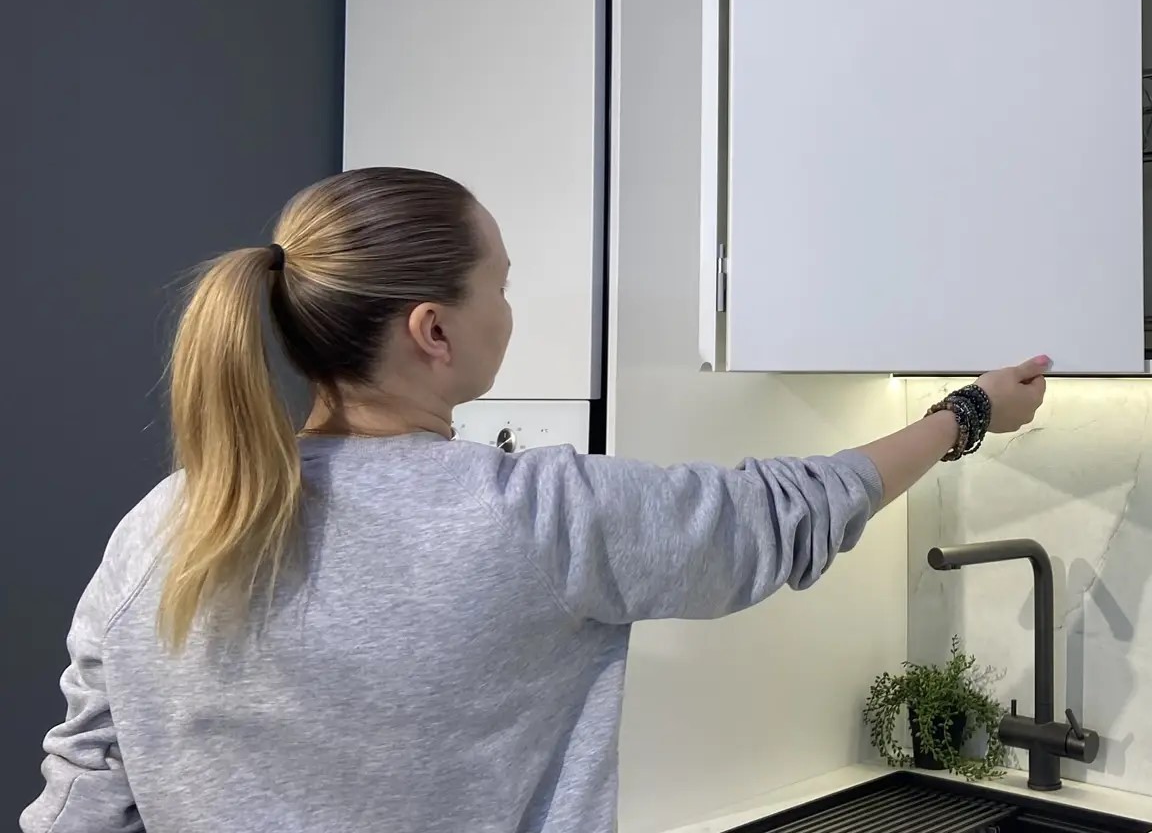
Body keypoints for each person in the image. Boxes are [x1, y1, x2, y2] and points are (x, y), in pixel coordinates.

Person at [21, 167, 1050, 833]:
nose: (509, 312)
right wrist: (967, 413)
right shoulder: (534, 517)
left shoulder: (163, 524)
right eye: (500, 286)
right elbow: (786, 513)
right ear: (434, 330)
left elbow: (85, 786)